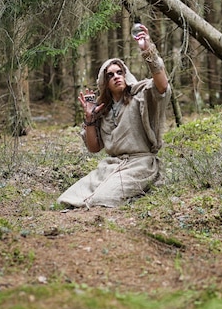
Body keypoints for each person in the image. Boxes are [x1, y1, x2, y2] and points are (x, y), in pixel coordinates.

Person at [58, 24, 171, 209]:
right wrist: (90, 118)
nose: (116, 77)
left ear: (126, 75)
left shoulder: (141, 96)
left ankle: (140, 193)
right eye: (110, 75)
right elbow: (94, 148)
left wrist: (148, 51)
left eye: (120, 73)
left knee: (101, 200)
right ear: (105, 83)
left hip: (140, 165)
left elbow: (162, 86)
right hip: (110, 166)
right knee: (68, 199)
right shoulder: (104, 109)